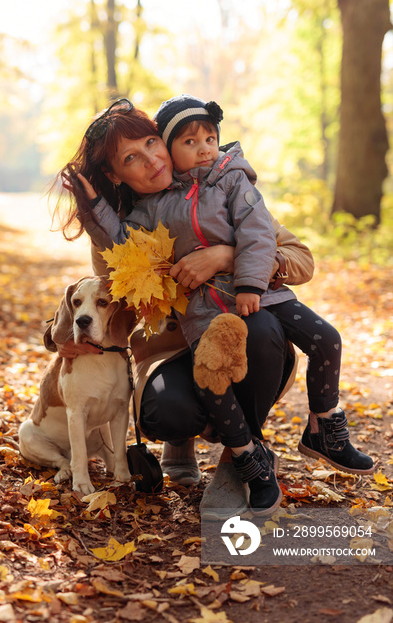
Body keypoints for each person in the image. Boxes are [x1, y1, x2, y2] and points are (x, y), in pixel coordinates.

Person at [47, 98, 314, 517]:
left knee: (257, 328)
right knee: (165, 411)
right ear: (116, 175)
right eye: (131, 157)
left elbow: (301, 258)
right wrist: (58, 336)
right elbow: (96, 301)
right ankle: (180, 438)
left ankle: (239, 456)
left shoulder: (218, 187)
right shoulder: (120, 234)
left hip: (242, 336)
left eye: (153, 142)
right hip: (173, 351)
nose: (152, 160)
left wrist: (228, 256)